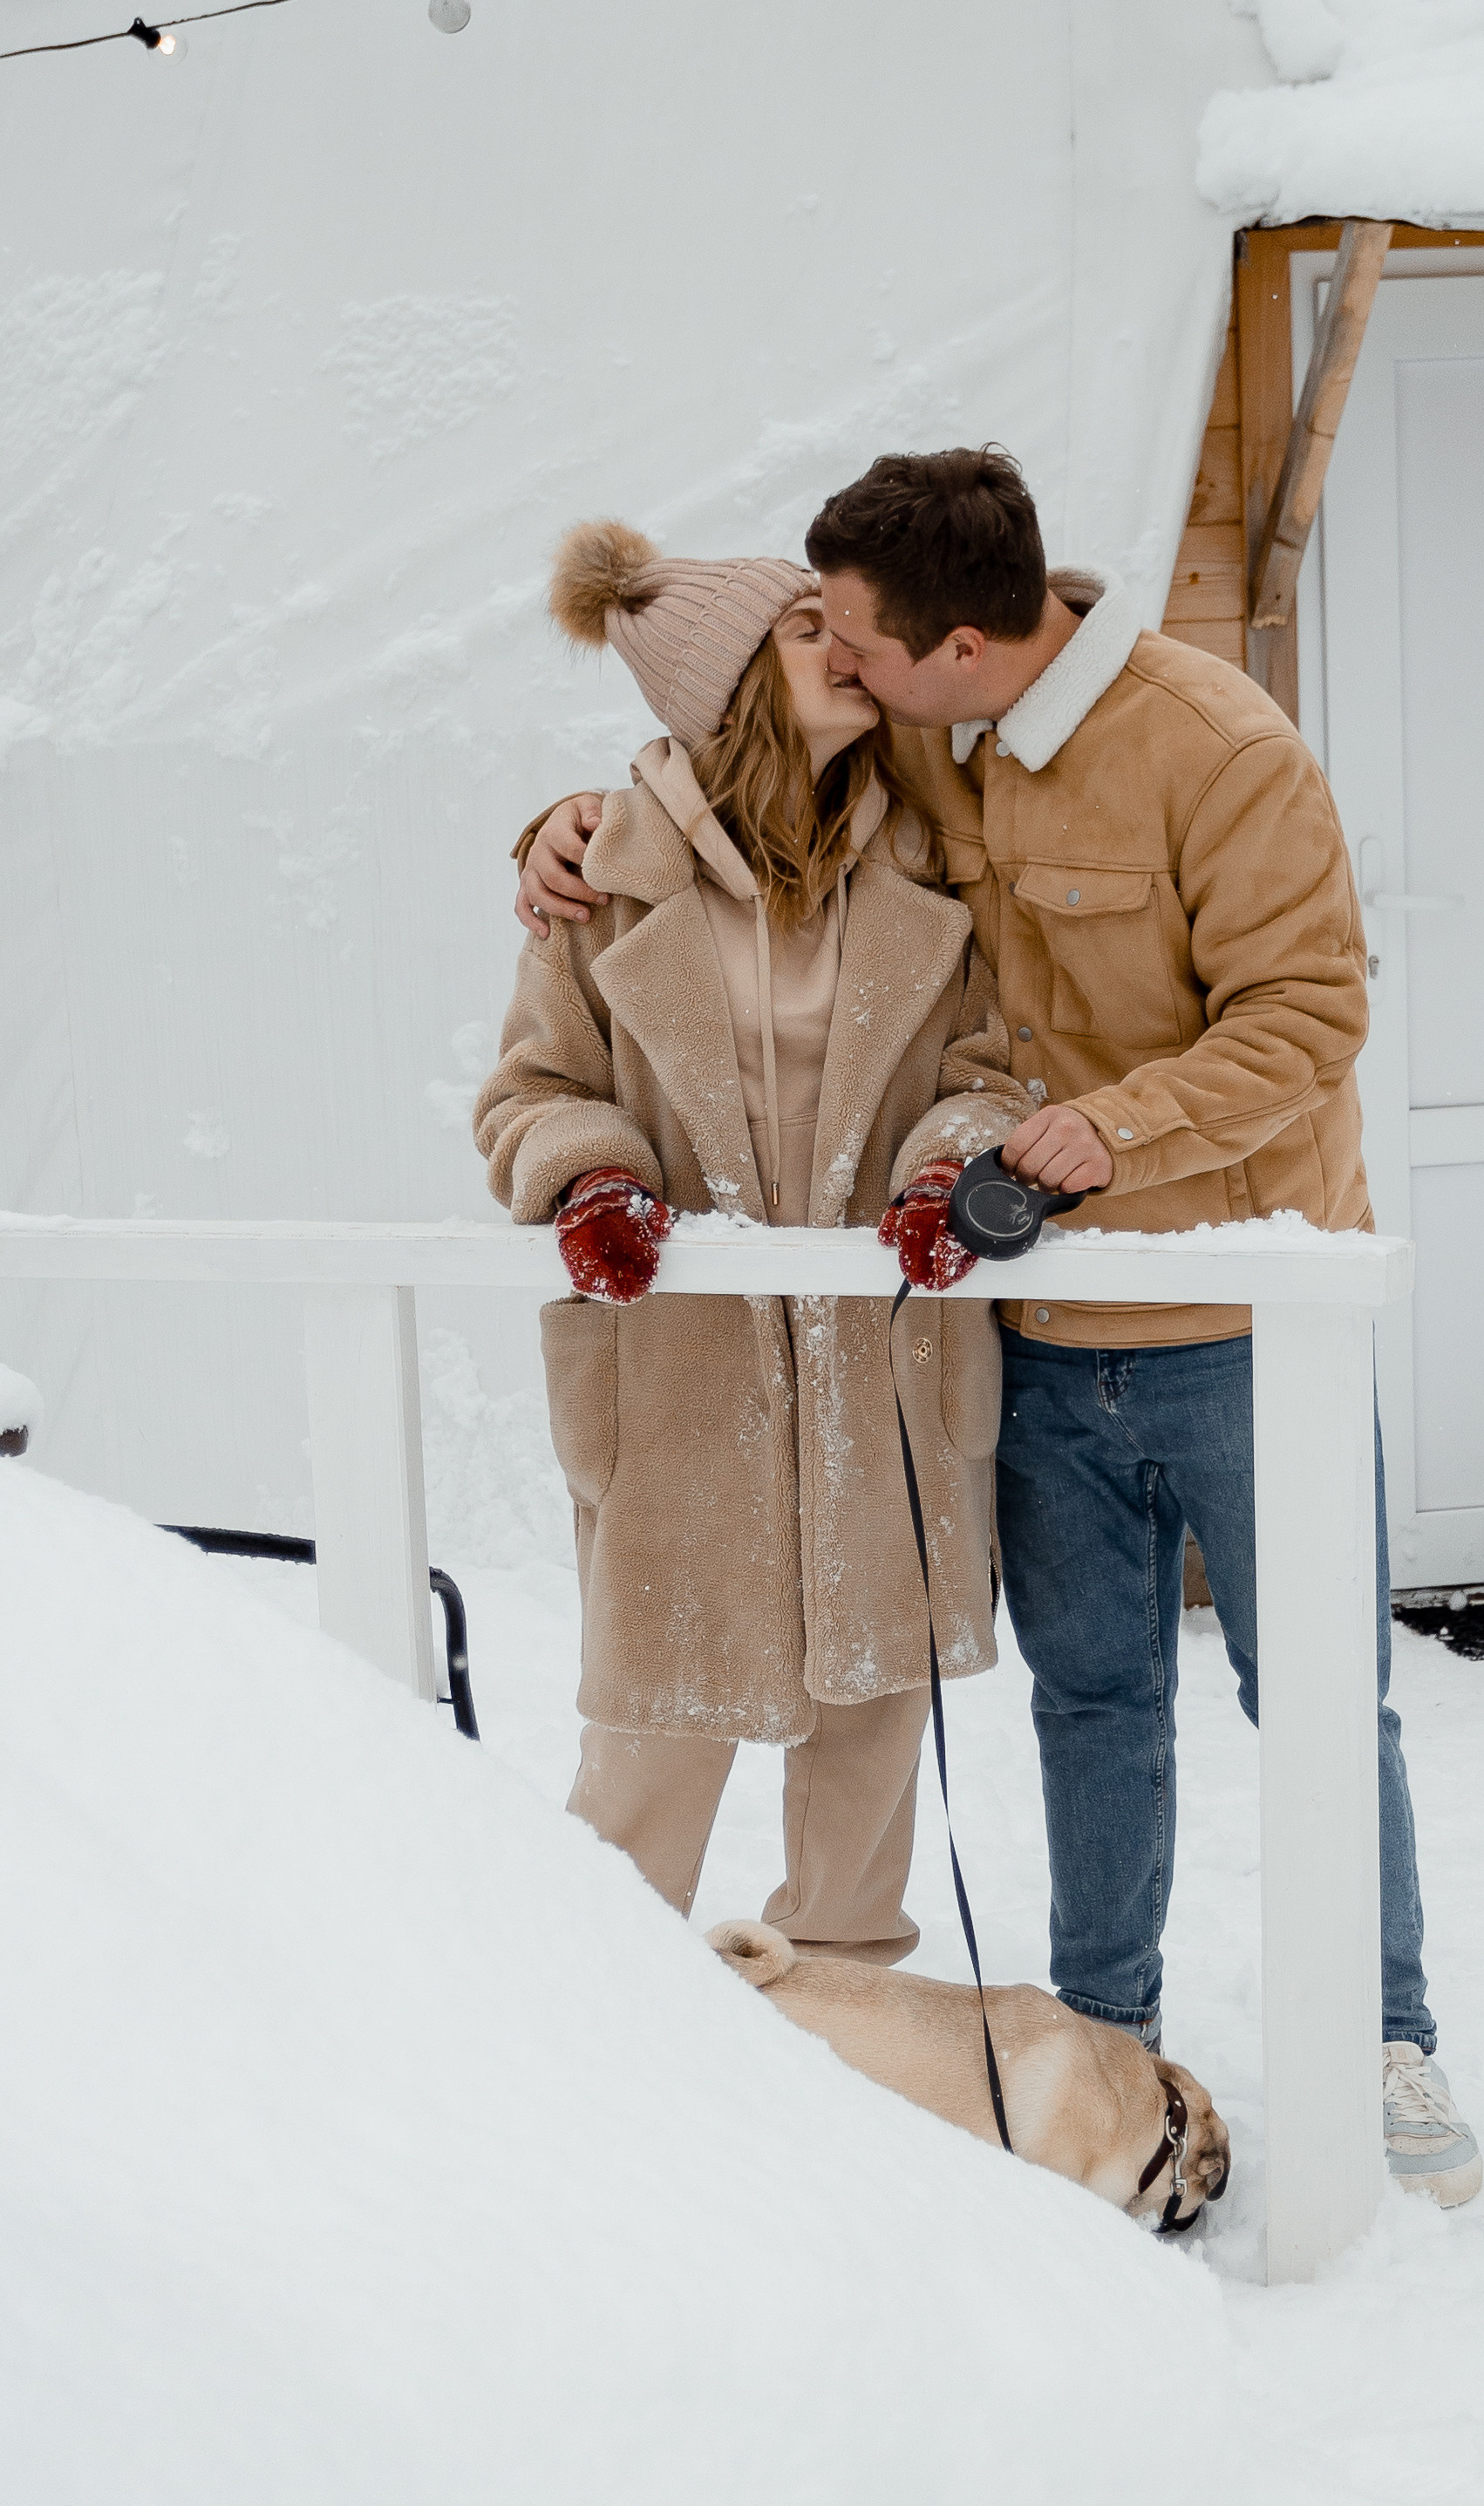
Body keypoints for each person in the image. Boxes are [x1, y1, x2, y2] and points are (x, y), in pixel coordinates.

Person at [514, 449, 1482, 2208]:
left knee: (1316, 1699)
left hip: (1230, 1315)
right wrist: (568, 831)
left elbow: (1304, 1010)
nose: (845, 665)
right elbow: (699, 820)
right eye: (825, 647)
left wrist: (1097, 1133)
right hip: (1025, 1332)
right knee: (1089, 1706)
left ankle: (1384, 2037)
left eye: (861, 644)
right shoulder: (923, 742)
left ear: (952, 649)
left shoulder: (1209, 750)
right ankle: (1093, 2030)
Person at [477, 520, 1034, 1962]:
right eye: (805, 634)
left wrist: (944, 1168)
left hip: (886, 1368)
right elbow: (533, 1090)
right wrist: (590, 1178)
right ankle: (592, 2042)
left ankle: (846, 2058)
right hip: (677, 1374)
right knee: (644, 1773)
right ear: (723, 688)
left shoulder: (929, 849)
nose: (844, 648)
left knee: (864, 1747)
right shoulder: (599, 876)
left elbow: (984, 1067)